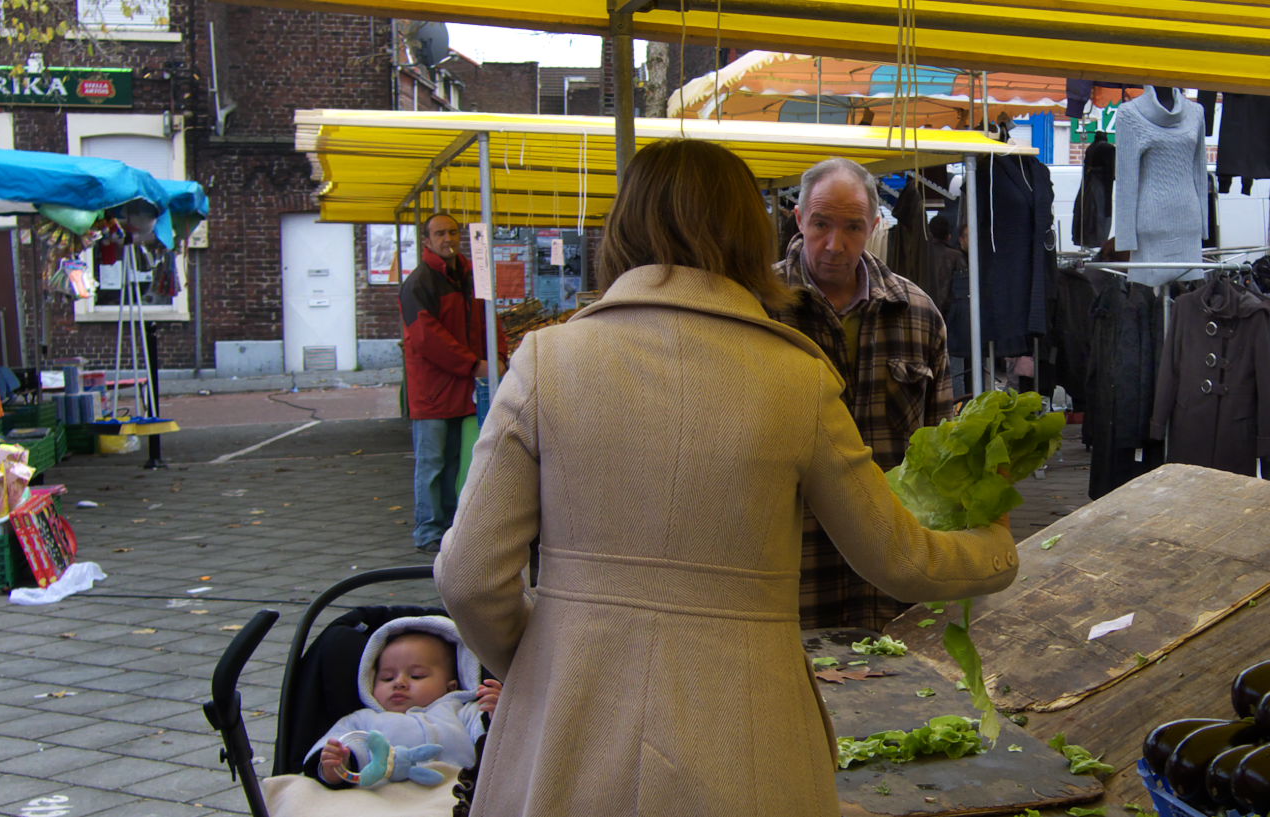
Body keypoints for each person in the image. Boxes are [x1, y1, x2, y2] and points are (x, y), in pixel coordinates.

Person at [435, 139, 1018, 814]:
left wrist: (547, 661)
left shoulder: (546, 360)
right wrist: (995, 543)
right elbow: (900, 559)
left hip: (567, 736)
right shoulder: (796, 377)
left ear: (623, 225)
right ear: (756, 230)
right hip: (750, 739)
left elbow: (468, 575)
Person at [767, 157, 956, 631]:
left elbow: (940, 453)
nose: (835, 244)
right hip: (793, 565)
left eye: (853, 227)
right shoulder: (758, 309)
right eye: (821, 224)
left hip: (889, 569)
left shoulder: (917, 314)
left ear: (874, 225)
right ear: (799, 220)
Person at [307, 616, 500, 787]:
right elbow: (340, 744)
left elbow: (499, 745)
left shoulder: (463, 713)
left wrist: (499, 715)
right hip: (379, 798)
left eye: (416, 676)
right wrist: (337, 765)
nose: (399, 683)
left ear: (450, 687)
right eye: (387, 678)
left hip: (452, 794)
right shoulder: (363, 720)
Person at [401, 213, 487, 555]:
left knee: (453, 460)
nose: (447, 238)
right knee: (433, 463)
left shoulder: (469, 276)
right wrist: (473, 363)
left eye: (452, 232)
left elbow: (484, 320)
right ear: (427, 240)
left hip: (457, 386)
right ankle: (428, 530)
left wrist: (490, 357)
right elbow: (427, 338)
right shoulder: (419, 284)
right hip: (434, 390)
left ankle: (450, 525)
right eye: (439, 233)